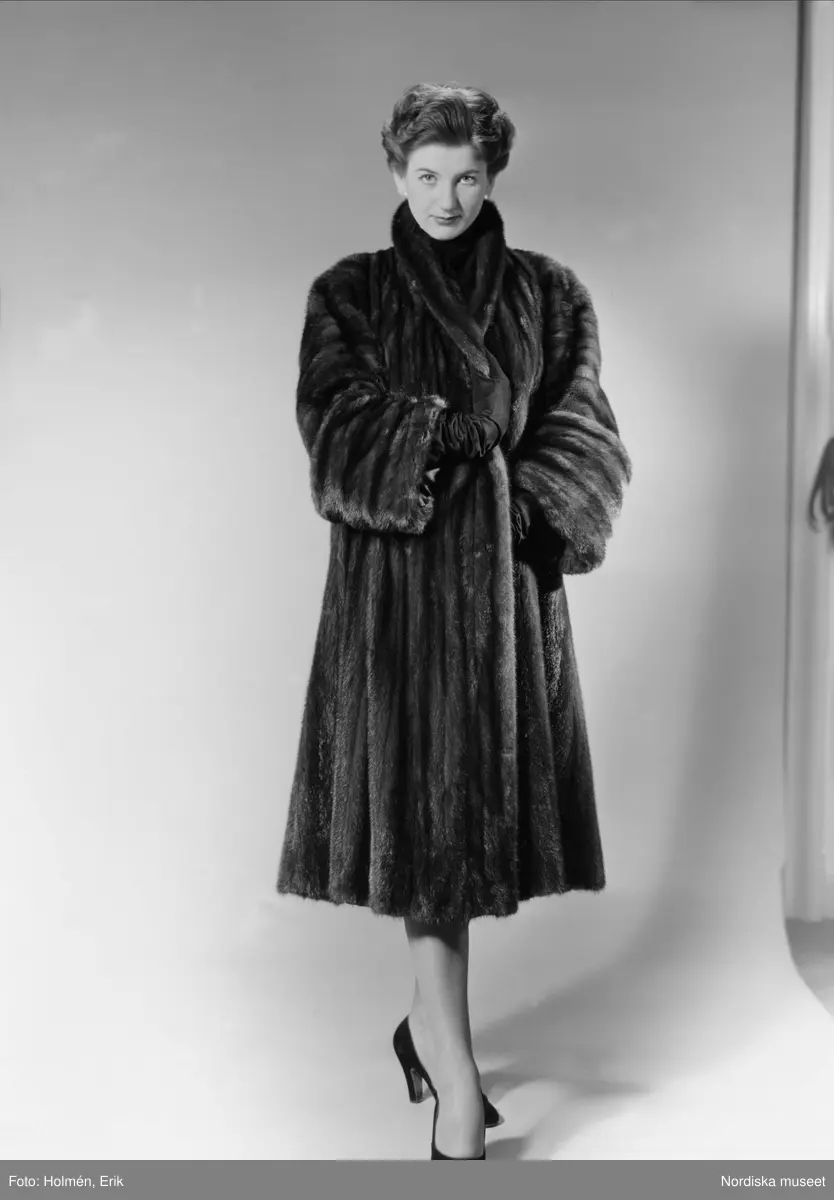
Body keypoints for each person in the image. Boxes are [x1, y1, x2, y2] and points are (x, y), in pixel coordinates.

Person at [277, 81, 632, 1161]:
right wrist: (435, 435)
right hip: (395, 608)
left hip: (507, 605)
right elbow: (332, 427)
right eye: (426, 175)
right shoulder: (350, 292)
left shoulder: (549, 294)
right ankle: (456, 1075)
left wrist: (528, 508)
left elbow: (584, 429)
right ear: (395, 171)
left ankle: (428, 1033)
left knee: (468, 838)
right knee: (425, 837)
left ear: (493, 175)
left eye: (467, 176)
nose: (446, 197)